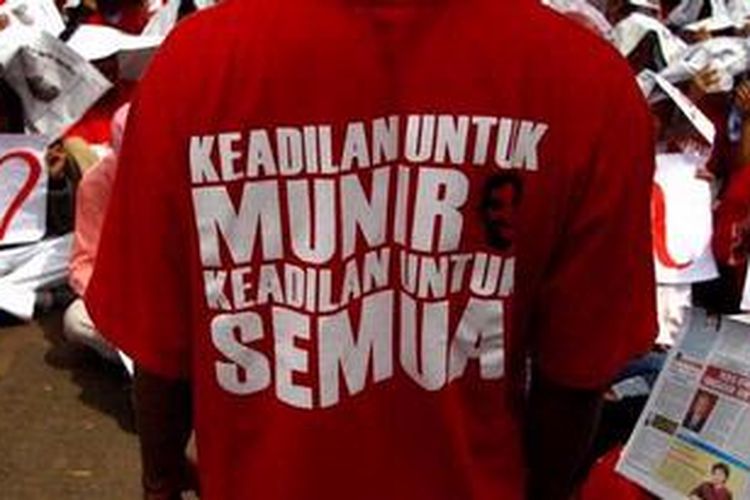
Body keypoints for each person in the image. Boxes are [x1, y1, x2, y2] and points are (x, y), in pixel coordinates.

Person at [86, 1, 657, 499]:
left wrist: (160, 480)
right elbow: (576, 376)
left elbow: (159, 352)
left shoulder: (196, 67)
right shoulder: (586, 86)